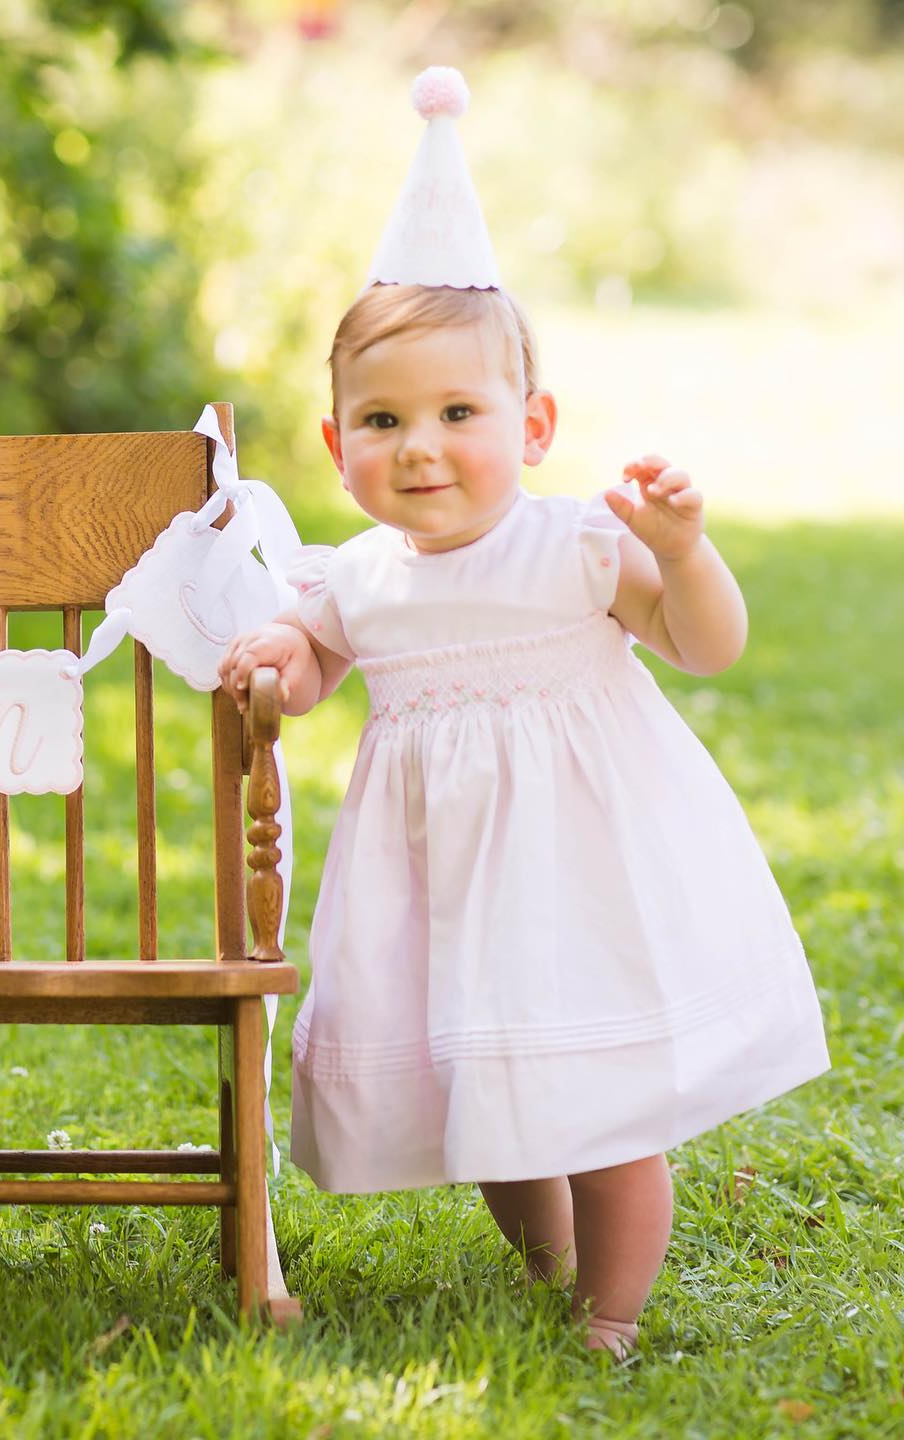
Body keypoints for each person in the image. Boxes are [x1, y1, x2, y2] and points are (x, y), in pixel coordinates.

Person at [216, 73, 830, 1361]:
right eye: (384, 421)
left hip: (584, 872)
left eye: (458, 414)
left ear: (533, 425)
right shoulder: (359, 576)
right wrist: (274, 660)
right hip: (443, 884)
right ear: (337, 446)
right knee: (484, 1109)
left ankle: (609, 1316)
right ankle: (543, 1263)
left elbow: (709, 648)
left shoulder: (578, 551)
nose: (421, 446)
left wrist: (688, 549)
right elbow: (314, 669)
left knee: (601, 1110)